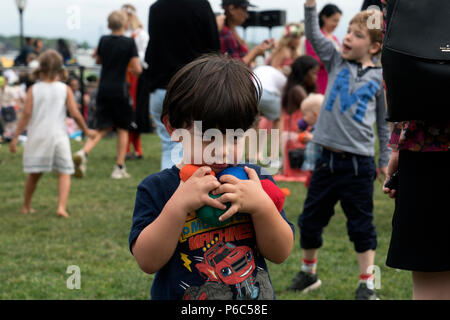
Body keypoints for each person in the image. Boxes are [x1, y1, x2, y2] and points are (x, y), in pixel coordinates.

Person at [129, 55, 294, 300]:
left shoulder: (254, 180)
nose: (224, 150)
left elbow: (280, 253)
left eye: (235, 137)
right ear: (174, 128)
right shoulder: (158, 188)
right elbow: (147, 261)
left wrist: (262, 207)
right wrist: (179, 204)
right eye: (209, 135)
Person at [287, 0, 390, 300]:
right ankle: (309, 273)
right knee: (310, 219)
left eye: (357, 35)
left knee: (361, 226)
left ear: (373, 47)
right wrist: (309, 8)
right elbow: (314, 35)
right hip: (324, 159)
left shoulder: (380, 79)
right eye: (348, 32)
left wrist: (384, 159)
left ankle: (367, 284)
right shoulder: (334, 60)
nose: (347, 38)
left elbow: (383, 126)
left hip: (358, 165)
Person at [381, 0, 450, 300]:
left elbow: (396, 75)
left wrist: (397, 144)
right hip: (424, 150)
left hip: (427, 149)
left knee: (431, 281)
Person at [9, 50, 95, 218]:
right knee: (64, 173)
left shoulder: (33, 90)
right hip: (58, 137)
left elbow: (25, 115)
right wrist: (86, 130)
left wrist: (15, 137)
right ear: (59, 69)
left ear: (40, 68)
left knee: (34, 173)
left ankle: (26, 206)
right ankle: (61, 207)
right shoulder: (65, 89)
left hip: (37, 136)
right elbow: (75, 114)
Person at [144, 0, 221, 171]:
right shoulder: (200, 5)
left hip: (161, 87)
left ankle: (170, 194)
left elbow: (152, 50)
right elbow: (214, 49)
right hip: (195, 88)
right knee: (202, 150)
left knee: (170, 147)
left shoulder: (156, 8)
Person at [73, 10, 142, 179]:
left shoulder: (103, 40)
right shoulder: (129, 42)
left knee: (102, 126)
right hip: (120, 89)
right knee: (123, 128)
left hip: (103, 88)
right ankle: (119, 167)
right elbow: (137, 69)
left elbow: (98, 61)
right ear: (125, 24)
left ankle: (84, 152)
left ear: (108, 25)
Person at [275, 55, 319, 182]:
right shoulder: (297, 90)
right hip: (295, 139)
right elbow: (314, 106)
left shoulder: (297, 88)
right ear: (304, 73)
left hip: (297, 137)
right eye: (313, 74)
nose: (316, 78)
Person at [122, 4, 151, 160]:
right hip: (126, 76)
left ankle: (136, 147)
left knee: (137, 111)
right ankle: (126, 147)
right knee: (127, 111)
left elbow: (144, 57)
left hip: (137, 77)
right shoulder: (124, 35)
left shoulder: (140, 34)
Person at [220, 0, 275, 66]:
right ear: (231, 9)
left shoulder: (231, 32)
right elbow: (233, 68)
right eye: (244, 10)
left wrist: (259, 48)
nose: (246, 15)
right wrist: (255, 52)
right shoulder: (227, 34)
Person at [304, 3, 342, 94]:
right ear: (324, 17)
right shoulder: (315, 38)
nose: (336, 24)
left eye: (338, 21)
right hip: (321, 79)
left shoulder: (335, 38)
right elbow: (312, 60)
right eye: (334, 20)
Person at [298, 93, 324, 188]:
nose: (303, 118)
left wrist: (312, 138)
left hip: (320, 166)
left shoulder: (322, 129)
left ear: (315, 114)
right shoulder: (313, 128)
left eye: (304, 114)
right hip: (313, 166)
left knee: (315, 186)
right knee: (310, 185)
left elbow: (324, 142)